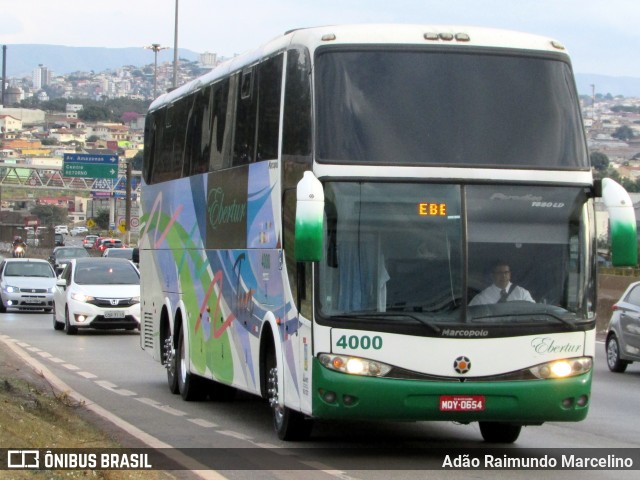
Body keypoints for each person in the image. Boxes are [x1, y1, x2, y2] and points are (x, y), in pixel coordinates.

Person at [469, 261, 534, 306]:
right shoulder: (482, 298)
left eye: (506, 272)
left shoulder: (522, 293)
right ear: (492, 275)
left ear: (510, 274)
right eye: (499, 273)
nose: (503, 276)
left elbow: (533, 311)